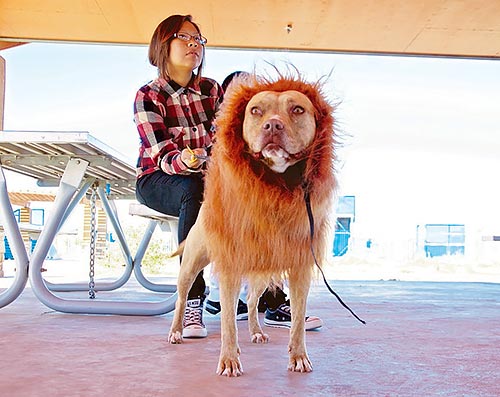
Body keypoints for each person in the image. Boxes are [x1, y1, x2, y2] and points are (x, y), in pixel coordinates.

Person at [204, 71, 323, 331]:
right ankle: (214, 298)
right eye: (257, 110)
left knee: (278, 218)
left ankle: (272, 299)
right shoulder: (224, 128)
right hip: (197, 178)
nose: (270, 119)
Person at [134, 14, 223, 339]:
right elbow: (161, 154)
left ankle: (268, 297)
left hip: (206, 181)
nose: (193, 45)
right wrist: (188, 159)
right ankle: (193, 298)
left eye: (198, 40)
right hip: (157, 180)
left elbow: (225, 142)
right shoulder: (149, 95)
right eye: (184, 38)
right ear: (163, 44)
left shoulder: (212, 90)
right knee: (192, 187)